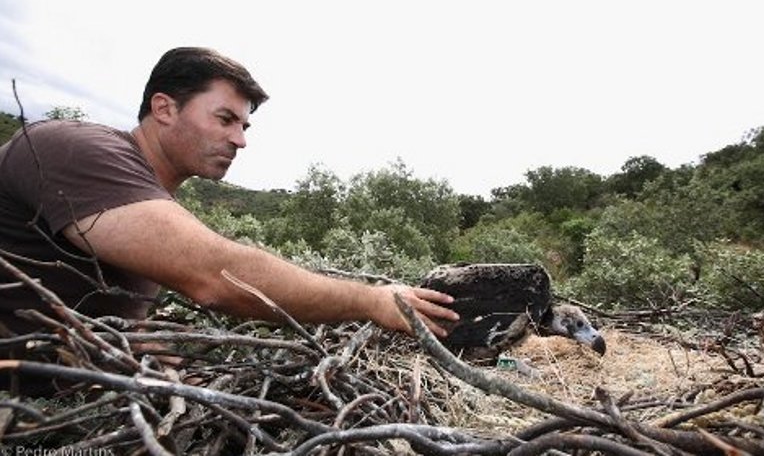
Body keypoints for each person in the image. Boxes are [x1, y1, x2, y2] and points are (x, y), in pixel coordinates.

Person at [0, 47, 458, 392]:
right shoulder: (74, 147)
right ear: (164, 108)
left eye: (244, 126)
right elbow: (215, 275)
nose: (239, 140)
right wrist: (373, 301)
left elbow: (100, 314)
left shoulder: (147, 202)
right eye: (224, 119)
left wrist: (140, 347)